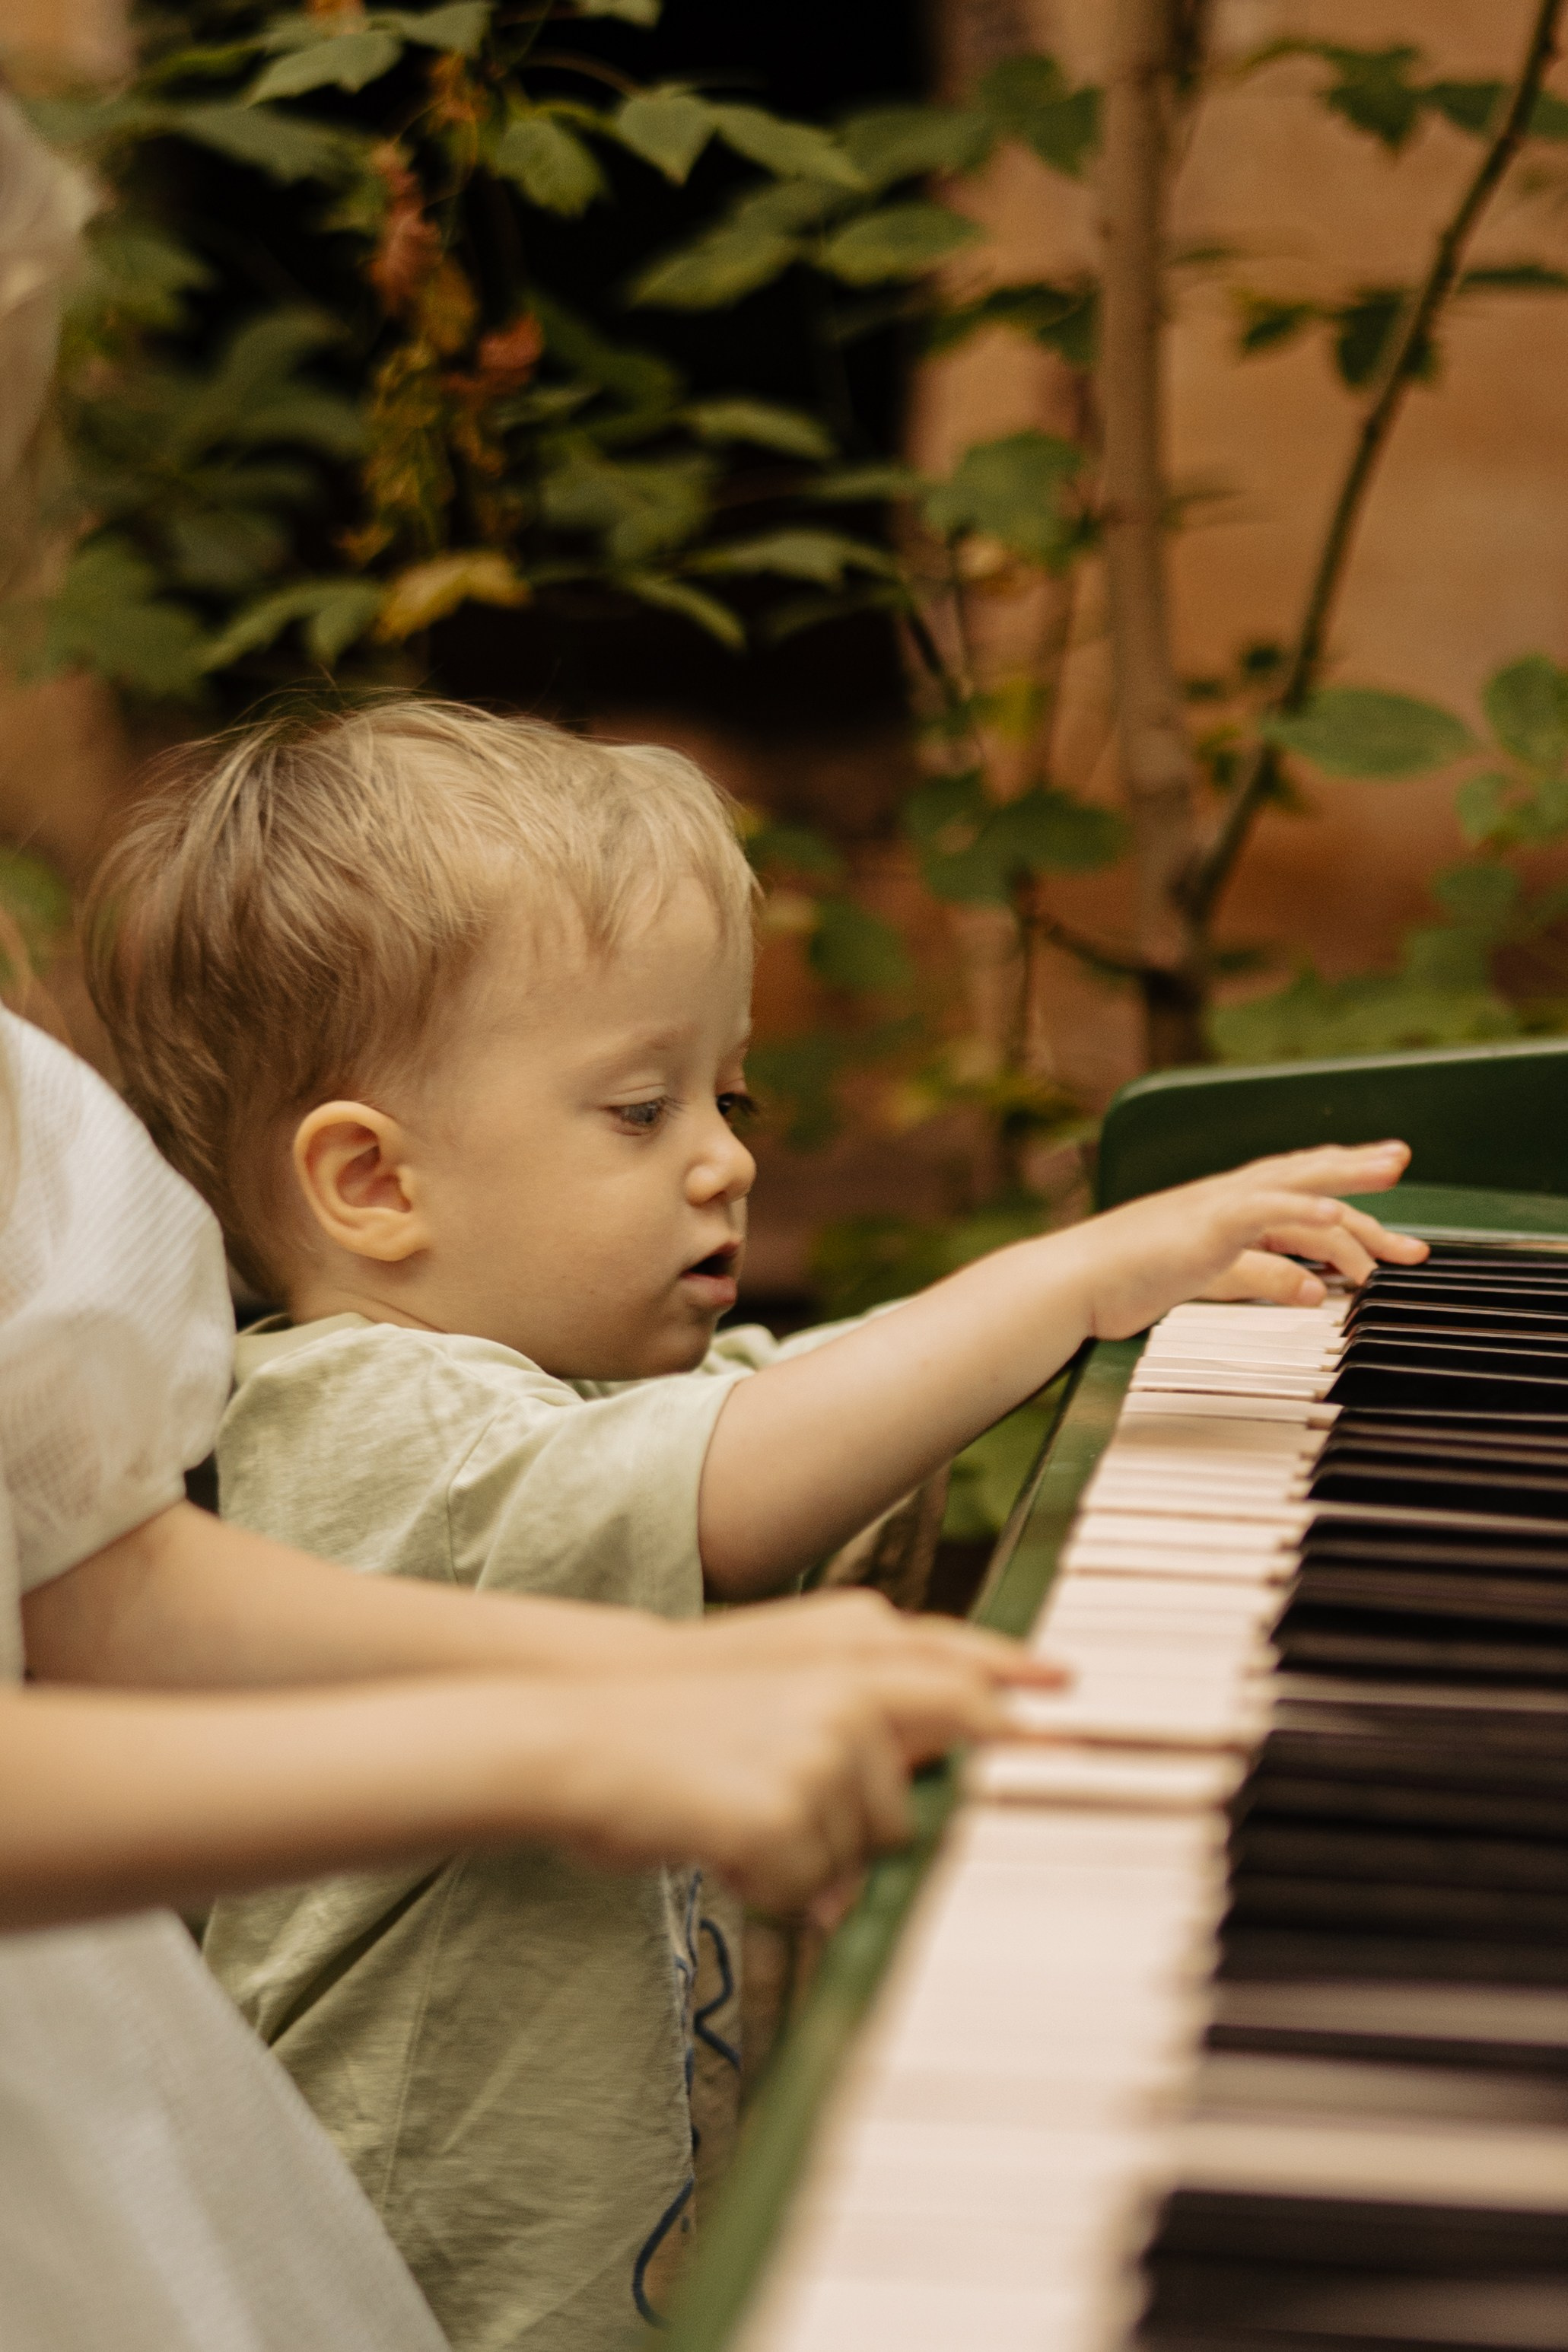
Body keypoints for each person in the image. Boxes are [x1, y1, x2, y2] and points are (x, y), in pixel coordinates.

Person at [86, 699, 1428, 2352]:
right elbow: (746, 1469)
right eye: (639, 1111)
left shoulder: (566, 1389)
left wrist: (1126, 1312)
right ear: (374, 1184)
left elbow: (810, 1389)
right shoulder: (361, 1425)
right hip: (426, 2296)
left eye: (730, 1099)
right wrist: (1071, 1274)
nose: (721, 1163)